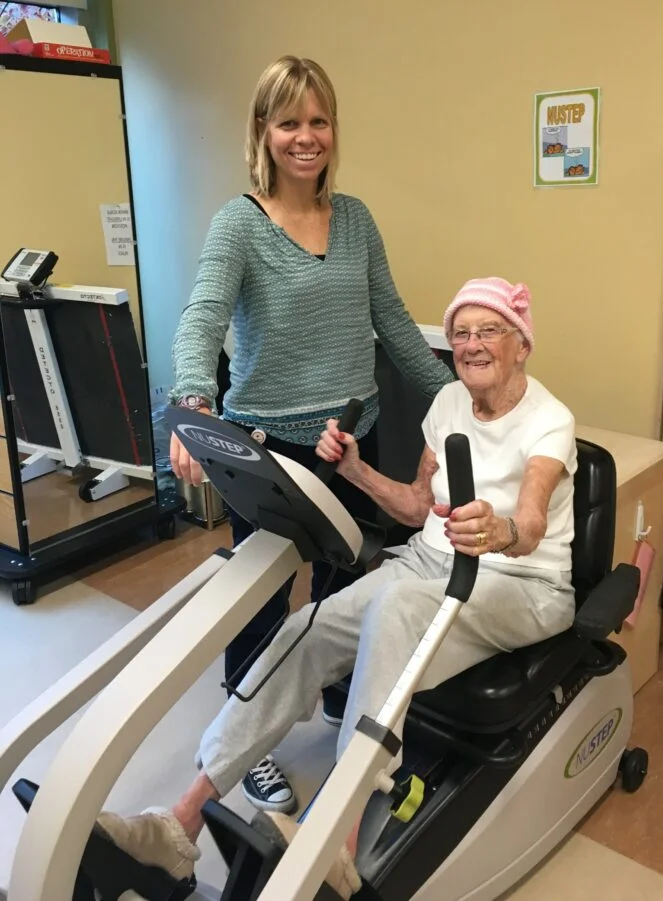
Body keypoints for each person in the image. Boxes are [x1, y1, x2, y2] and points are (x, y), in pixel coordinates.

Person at [97, 276, 578, 899]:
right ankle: (179, 824)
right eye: (460, 332)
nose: (472, 344)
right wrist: (353, 468)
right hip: (433, 565)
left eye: (489, 331)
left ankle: (338, 846)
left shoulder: (549, 419)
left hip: (522, 582)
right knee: (308, 624)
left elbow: (534, 523)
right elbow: (413, 507)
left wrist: (502, 527)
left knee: (397, 606)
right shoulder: (449, 405)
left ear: (521, 345)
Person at [168, 54, 454, 813]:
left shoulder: (354, 219)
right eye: (288, 120)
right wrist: (194, 400)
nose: (305, 136)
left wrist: (465, 403)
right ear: (263, 130)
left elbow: (392, 324)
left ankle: (326, 684)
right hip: (271, 449)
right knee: (261, 598)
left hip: (352, 440)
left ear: (333, 129)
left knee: (342, 584)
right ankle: (243, 737)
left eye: (318, 120)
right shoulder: (240, 223)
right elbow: (201, 315)